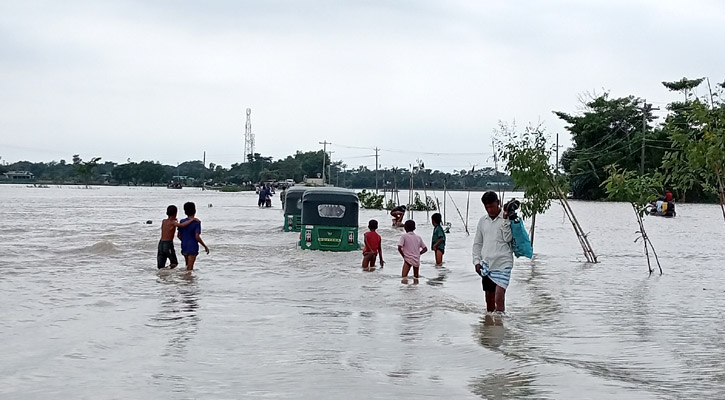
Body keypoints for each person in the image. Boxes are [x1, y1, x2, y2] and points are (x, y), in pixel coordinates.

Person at [472, 191, 515, 313]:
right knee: (489, 301)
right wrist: (476, 262)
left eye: (492, 206)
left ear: (498, 203)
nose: (490, 210)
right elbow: (477, 243)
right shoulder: (482, 221)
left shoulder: (507, 218)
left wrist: (506, 220)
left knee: (499, 298)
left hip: (503, 263)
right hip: (487, 264)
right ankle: (490, 326)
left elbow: (508, 238)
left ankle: (501, 326)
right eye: (487, 207)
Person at [178, 202, 210, 271]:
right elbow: (197, 237)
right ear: (195, 210)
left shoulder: (182, 221)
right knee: (190, 269)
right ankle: (188, 281)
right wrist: (205, 246)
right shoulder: (196, 223)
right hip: (192, 246)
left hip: (184, 246)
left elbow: (179, 236)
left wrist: (185, 240)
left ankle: (184, 280)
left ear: (185, 211)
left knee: (187, 266)